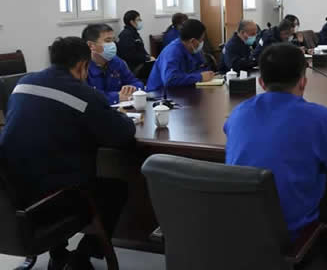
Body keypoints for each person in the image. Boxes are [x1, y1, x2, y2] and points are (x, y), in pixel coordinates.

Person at [0, 37, 136, 270]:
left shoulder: (23, 83)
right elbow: (122, 135)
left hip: (12, 193)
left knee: (48, 163)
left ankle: (59, 253)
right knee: (115, 190)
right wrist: (123, 117)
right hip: (51, 198)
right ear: (82, 66)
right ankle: (82, 257)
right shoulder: (85, 95)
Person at [225, 43, 327, 243]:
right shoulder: (320, 118)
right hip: (288, 233)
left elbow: (230, 131)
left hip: (236, 226)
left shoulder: (238, 113)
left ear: (261, 83)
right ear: (303, 82)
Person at [82, 24, 144, 104]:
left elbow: (136, 83)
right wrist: (116, 97)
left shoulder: (116, 61)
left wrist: (132, 89)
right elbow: (86, 97)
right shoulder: (81, 67)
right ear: (91, 45)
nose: (113, 44)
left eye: (113, 40)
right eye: (108, 41)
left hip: (121, 108)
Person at [146, 19, 215, 91]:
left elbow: (202, 67)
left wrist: (208, 74)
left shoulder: (194, 50)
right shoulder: (172, 52)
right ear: (193, 41)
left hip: (182, 90)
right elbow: (170, 79)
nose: (202, 42)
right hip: (159, 93)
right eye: (201, 39)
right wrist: (199, 77)